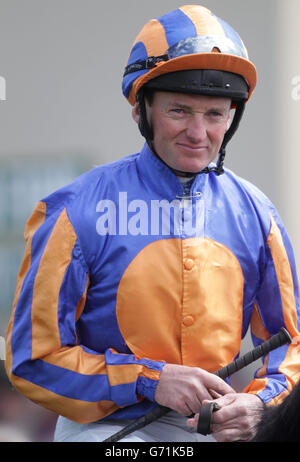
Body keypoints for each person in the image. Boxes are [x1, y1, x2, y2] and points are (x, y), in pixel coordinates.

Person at [5, 4, 300, 443]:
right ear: (141, 110)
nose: (199, 133)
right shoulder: (74, 211)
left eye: (215, 114)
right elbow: (32, 358)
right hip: (105, 428)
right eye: (180, 110)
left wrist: (260, 403)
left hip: (212, 431)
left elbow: (291, 343)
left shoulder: (257, 215)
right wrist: (148, 380)